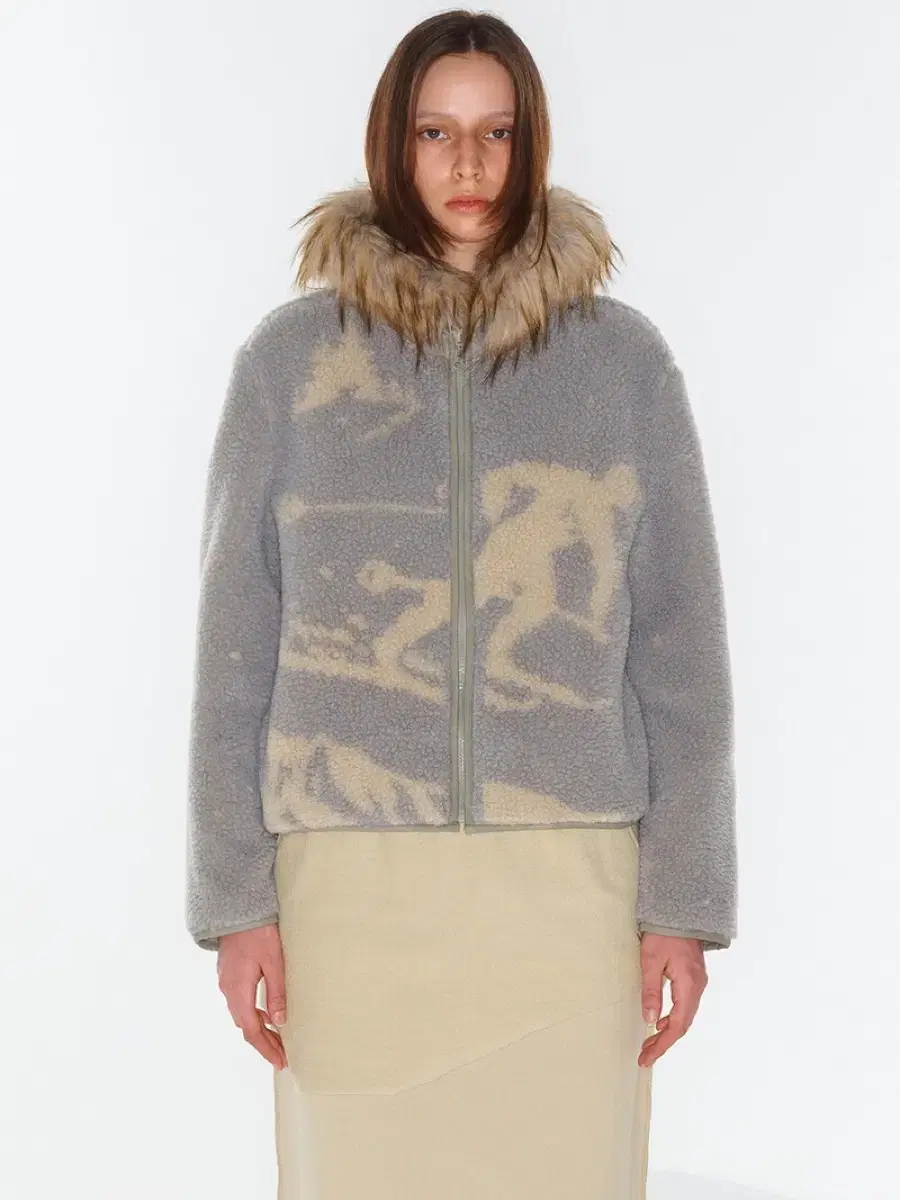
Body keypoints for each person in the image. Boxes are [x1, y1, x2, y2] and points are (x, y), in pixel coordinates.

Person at [184, 10, 738, 1198]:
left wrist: (682, 905)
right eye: (436, 132)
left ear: (533, 143)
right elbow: (236, 644)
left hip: (571, 884)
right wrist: (235, 901)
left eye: (498, 132)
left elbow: (682, 649)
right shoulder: (290, 364)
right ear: (393, 144)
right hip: (348, 887)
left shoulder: (623, 365)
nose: (469, 164)